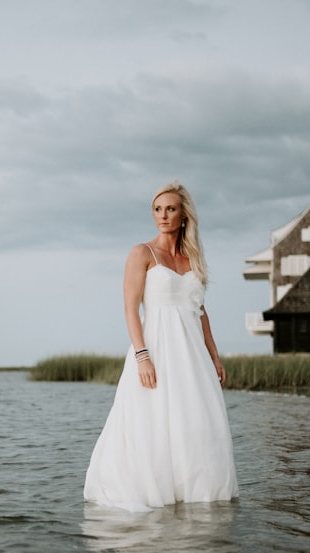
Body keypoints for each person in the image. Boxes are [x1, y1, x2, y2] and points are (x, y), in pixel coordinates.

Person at [83, 181, 239, 511]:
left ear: (184, 216)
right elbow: (130, 308)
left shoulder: (192, 259)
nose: (162, 215)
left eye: (170, 209)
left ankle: (194, 498)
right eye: (157, 209)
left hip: (193, 357)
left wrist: (215, 356)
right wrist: (142, 356)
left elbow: (201, 312)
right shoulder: (142, 253)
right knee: (151, 423)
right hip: (156, 350)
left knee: (196, 424)